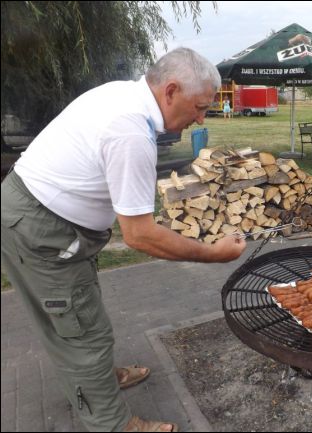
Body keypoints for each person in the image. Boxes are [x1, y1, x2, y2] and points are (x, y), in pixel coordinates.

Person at [0, 48, 247, 432]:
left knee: (74, 318)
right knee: (83, 331)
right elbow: (139, 235)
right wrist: (213, 254)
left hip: (33, 216)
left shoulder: (123, 94)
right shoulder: (130, 132)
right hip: (41, 230)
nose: (201, 118)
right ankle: (114, 424)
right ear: (170, 91)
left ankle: (95, 383)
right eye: (199, 107)